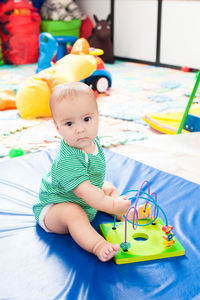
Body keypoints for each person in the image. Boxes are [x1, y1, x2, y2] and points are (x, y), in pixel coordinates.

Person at [33, 82, 150, 262]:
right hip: (54, 208)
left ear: (97, 116)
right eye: (69, 123)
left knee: (108, 188)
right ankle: (97, 245)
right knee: (73, 212)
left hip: (85, 199)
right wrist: (112, 205)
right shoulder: (68, 159)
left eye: (87, 119)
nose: (80, 129)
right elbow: (88, 194)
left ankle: (124, 214)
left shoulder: (90, 141)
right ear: (57, 127)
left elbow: (94, 189)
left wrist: (112, 201)